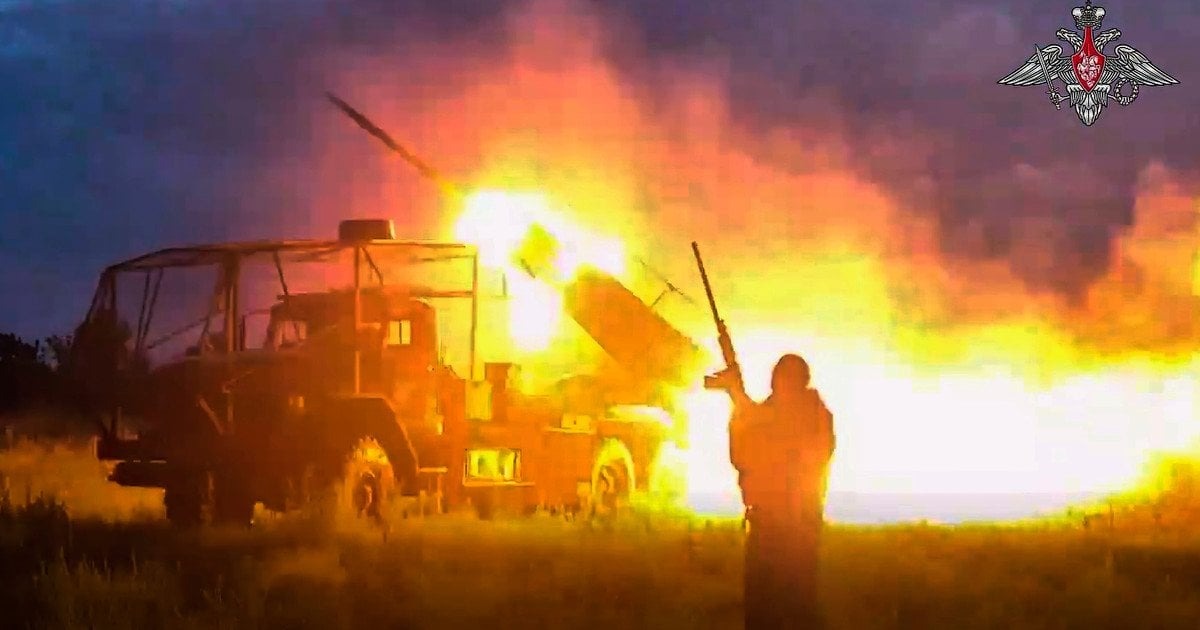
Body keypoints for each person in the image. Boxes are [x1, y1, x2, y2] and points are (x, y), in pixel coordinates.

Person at [721, 353, 836, 630]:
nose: (780, 387)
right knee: (761, 608)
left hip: (797, 524)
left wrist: (741, 402)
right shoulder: (768, 413)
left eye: (786, 381)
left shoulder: (815, 416)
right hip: (766, 523)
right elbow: (742, 455)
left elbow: (795, 448)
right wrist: (737, 404)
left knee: (796, 605)